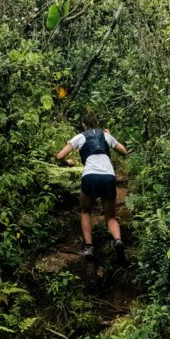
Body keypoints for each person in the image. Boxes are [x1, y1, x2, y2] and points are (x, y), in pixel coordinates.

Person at [56, 110, 128, 262]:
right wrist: (110, 136)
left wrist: (67, 163)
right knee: (110, 217)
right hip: (109, 176)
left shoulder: (80, 136)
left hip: (90, 176)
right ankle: (117, 240)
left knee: (85, 210)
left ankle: (89, 247)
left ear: (84, 124)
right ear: (97, 123)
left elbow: (60, 156)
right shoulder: (106, 135)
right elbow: (124, 151)